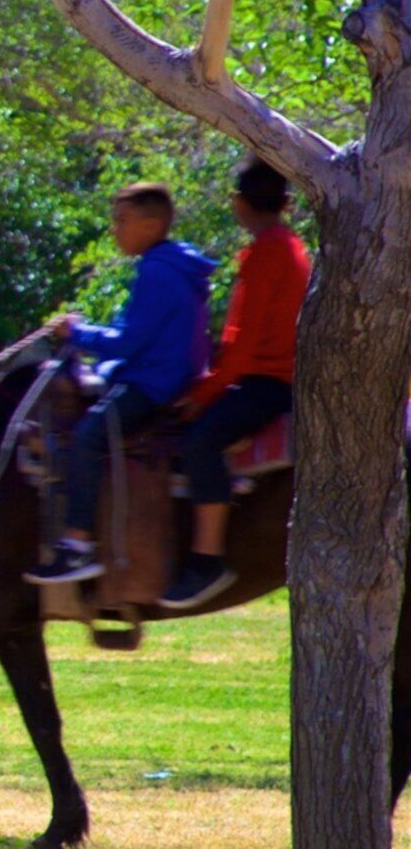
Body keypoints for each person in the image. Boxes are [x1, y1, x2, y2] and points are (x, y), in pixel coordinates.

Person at [28, 183, 214, 588]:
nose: (115, 229)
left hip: (154, 386)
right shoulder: (175, 265)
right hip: (163, 376)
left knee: (89, 435)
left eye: (122, 221)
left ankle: (77, 544)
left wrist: (77, 333)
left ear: (150, 225)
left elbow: (129, 341)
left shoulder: (157, 271)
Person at [158, 159, 309, 610]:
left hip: (267, 382)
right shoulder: (292, 246)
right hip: (276, 376)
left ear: (239, 204)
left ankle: (206, 559)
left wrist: (204, 394)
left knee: (200, 443)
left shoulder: (266, 253)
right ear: (285, 203)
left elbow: (241, 345)